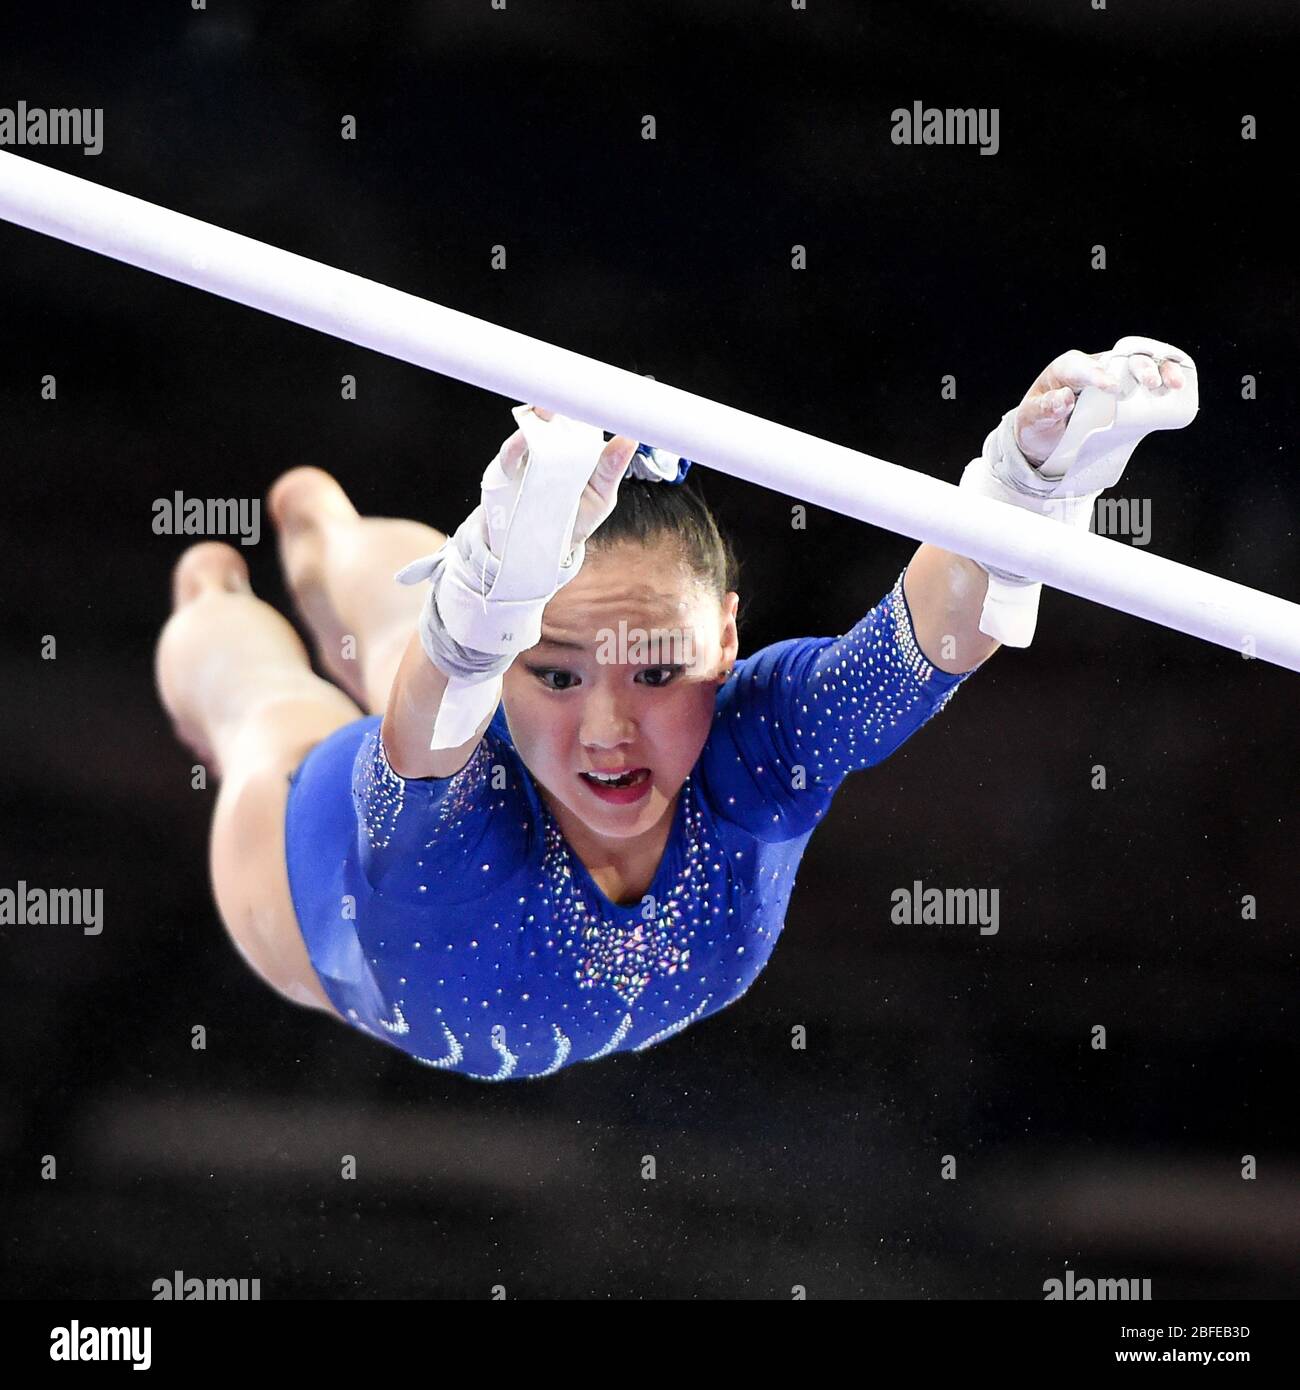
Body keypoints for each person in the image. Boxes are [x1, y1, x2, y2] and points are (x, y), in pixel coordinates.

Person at [154, 339, 1193, 1081]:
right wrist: (478, 626)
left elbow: (919, 648)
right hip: (313, 877)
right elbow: (427, 739)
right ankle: (248, 579)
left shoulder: (760, 751)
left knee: (411, 651)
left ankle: (336, 543)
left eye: (656, 672)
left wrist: (1018, 496)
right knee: (270, 700)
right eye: (557, 671)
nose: (609, 728)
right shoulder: (450, 809)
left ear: (726, 639)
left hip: (463, 704)